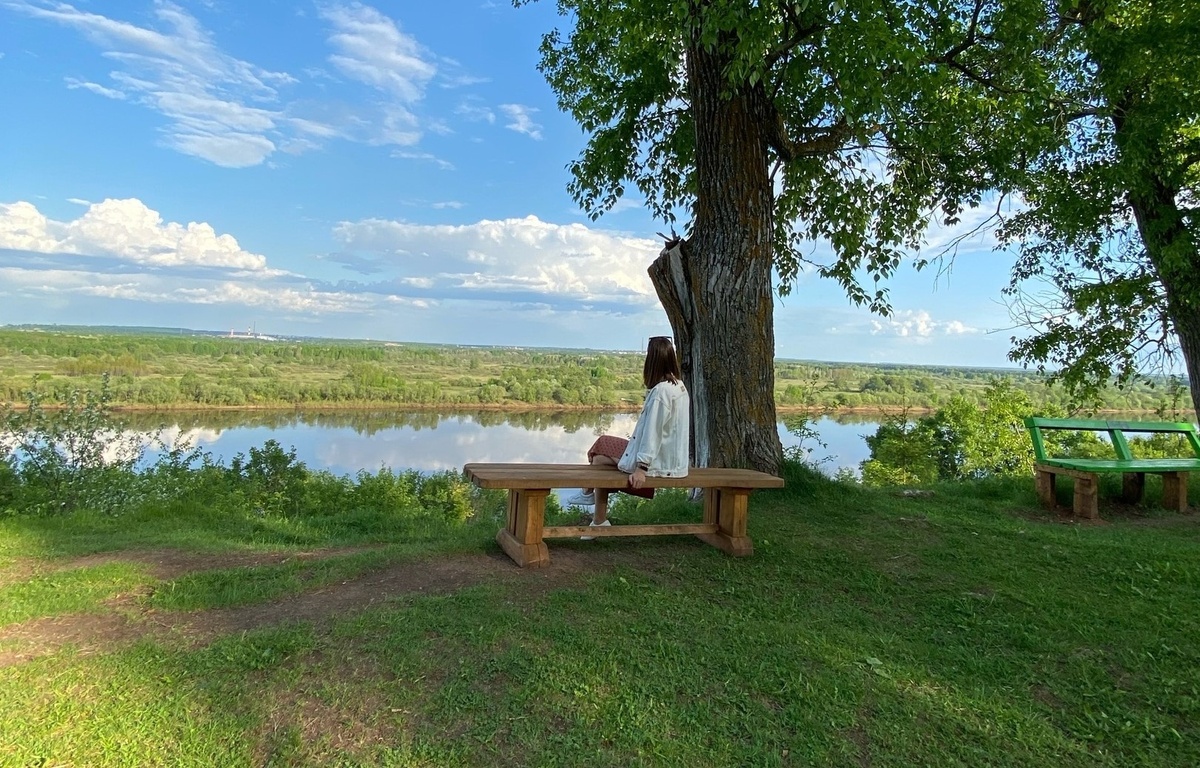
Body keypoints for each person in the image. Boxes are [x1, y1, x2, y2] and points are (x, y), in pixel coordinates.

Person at [565, 335, 690, 538]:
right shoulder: (678, 386)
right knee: (600, 456)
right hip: (672, 459)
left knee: (601, 448)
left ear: (652, 361)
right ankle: (597, 517)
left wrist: (642, 468)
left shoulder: (661, 393)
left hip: (658, 462)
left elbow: (653, 432)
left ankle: (591, 501)